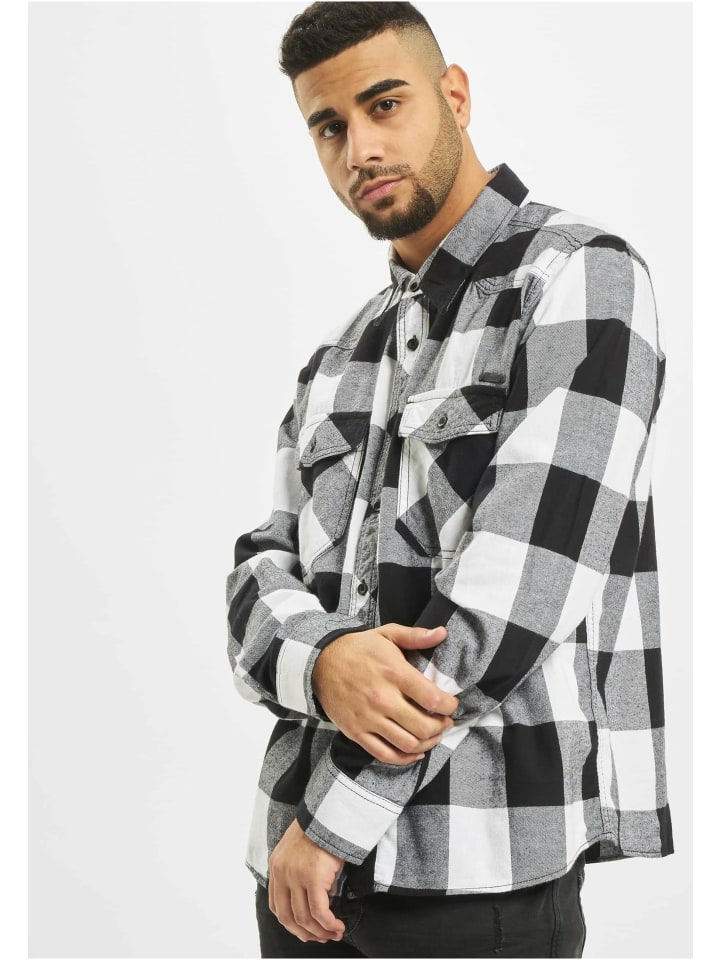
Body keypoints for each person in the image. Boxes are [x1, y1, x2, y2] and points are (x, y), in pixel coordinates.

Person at [225, 3, 674, 956]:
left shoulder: (578, 279)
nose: (360, 149)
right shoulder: (338, 357)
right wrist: (325, 664)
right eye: (329, 127)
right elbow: (257, 575)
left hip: (474, 881)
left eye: (385, 105)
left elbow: (517, 598)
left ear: (455, 96)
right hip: (297, 884)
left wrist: (334, 821)